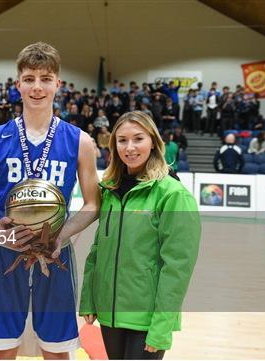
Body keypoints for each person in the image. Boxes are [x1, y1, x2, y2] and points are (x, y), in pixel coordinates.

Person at [0, 42, 100, 359]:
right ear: (18, 85)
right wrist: (1, 233)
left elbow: (93, 204)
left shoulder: (80, 141)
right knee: (1, 347)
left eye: (45, 78)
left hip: (57, 254)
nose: (37, 87)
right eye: (29, 78)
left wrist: (60, 235)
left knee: (57, 349)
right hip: (5, 254)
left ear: (58, 84)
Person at [79, 111, 200, 359]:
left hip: (146, 319)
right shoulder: (110, 189)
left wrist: (161, 326)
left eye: (138, 139)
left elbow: (177, 267)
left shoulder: (173, 194)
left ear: (153, 142)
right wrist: (89, 299)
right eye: (122, 140)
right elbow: (97, 251)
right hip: (110, 314)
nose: (130, 147)